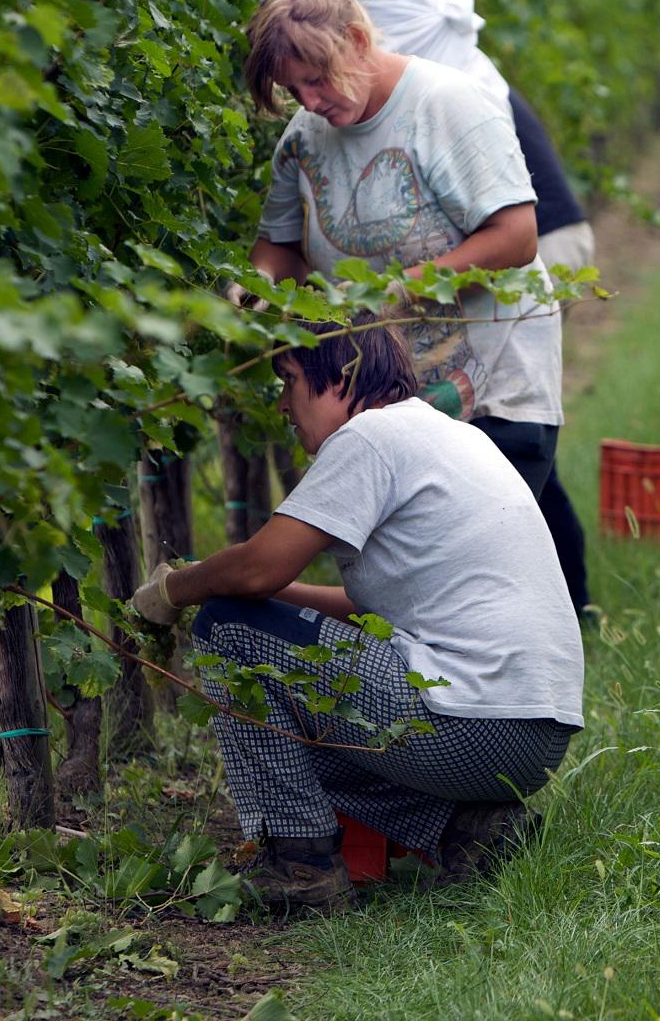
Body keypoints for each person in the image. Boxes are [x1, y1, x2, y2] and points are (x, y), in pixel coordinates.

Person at [129, 318, 583, 908]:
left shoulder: (370, 436)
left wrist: (173, 589)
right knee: (290, 726)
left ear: (341, 376)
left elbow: (257, 568)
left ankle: (301, 866)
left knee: (226, 627)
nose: (284, 404)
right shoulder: (452, 436)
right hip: (533, 735)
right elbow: (367, 606)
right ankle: (471, 830)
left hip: (472, 722)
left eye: (289, 381)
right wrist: (271, 601)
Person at [242, 0, 564, 501]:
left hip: (491, 395)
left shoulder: (446, 105)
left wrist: (401, 286)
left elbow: (516, 235)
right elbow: (279, 247)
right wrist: (256, 282)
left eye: (317, 80)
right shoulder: (305, 138)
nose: (310, 102)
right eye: (294, 90)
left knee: (461, 564)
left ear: (357, 38)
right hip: (393, 405)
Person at [351, 0, 596, 619]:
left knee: (502, 426)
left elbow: (499, 227)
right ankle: (569, 600)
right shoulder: (452, 57)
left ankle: (555, 599)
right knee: (510, 433)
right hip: (545, 239)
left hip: (545, 245)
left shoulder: (453, 85)